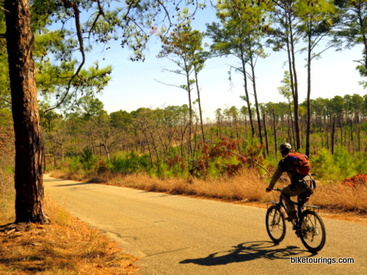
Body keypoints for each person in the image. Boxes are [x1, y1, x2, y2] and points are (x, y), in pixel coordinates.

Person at [266, 142, 312, 221]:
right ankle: (303, 225)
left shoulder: (284, 162)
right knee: (301, 205)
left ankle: (292, 213)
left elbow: (276, 175)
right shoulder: (300, 157)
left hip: (300, 185)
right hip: (310, 183)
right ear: (290, 150)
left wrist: (270, 186)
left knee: (284, 192)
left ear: (281, 152)